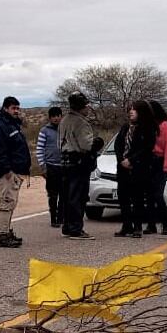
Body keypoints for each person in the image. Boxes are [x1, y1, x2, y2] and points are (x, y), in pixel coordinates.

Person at [0, 96, 31, 248]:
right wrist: (6, 170)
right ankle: (3, 235)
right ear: (5, 108)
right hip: (6, 172)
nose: (16, 111)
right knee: (6, 202)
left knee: (11, 202)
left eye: (18, 108)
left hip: (15, 171)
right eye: (13, 108)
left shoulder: (12, 125)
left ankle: (7, 231)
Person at [112, 100, 157, 238]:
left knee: (137, 198)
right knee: (123, 197)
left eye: (134, 109)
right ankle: (126, 226)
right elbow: (118, 145)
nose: (131, 111)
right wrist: (121, 160)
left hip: (139, 168)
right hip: (123, 169)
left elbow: (147, 148)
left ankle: (138, 227)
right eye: (130, 109)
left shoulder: (148, 128)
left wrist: (131, 160)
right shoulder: (125, 127)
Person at [57, 92, 99, 239]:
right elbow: (86, 146)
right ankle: (76, 228)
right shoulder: (81, 123)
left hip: (64, 161)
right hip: (79, 162)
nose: (88, 107)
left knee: (67, 195)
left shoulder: (64, 120)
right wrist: (96, 144)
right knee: (78, 196)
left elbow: (59, 142)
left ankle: (67, 226)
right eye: (86, 105)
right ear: (81, 106)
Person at [146, 100, 167, 235]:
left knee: (158, 194)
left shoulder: (165, 125)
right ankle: (151, 225)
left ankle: (166, 223)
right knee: (149, 195)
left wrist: (166, 164)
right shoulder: (148, 125)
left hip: (159, 161)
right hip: (148, 161)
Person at [36, 107, 64, 227]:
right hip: (51, 166)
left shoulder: (65, 130)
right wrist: (43, 166)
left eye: (58, 115)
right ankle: (53, 217)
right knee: (53, 194)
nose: (57, 118)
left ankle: (61, 218)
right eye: (54, 116)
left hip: (64, 166)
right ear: (50, 117)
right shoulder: (44, 131)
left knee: (64, 194)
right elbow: (39, 149)